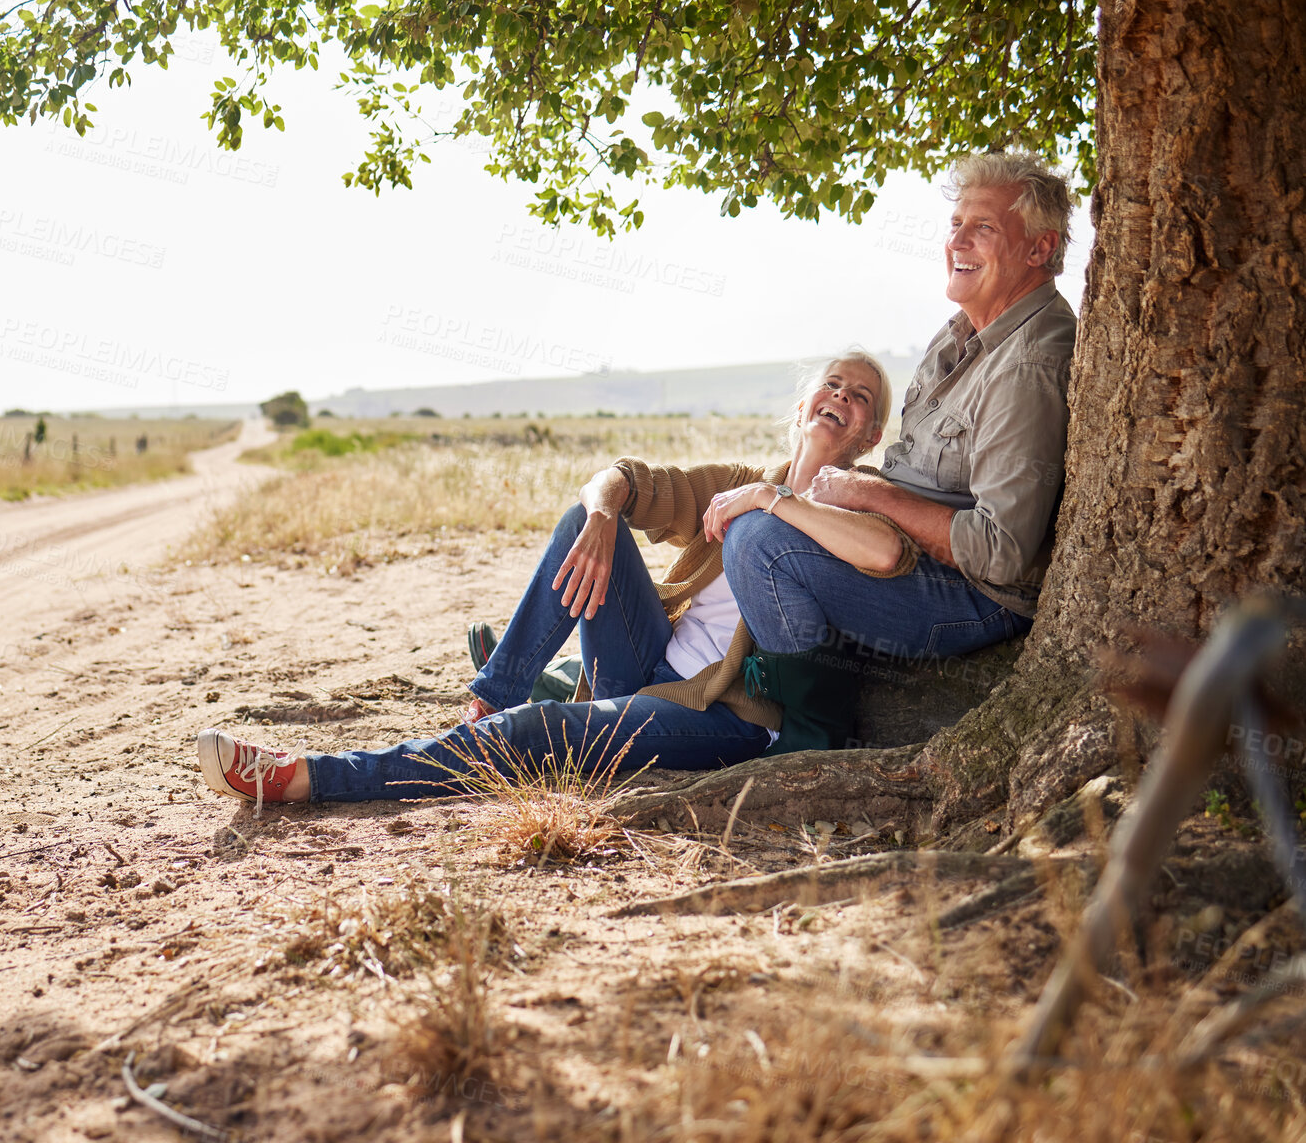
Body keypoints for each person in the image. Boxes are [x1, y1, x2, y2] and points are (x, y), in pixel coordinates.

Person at [196, 352, 917, 805]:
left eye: (859, 398)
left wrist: (781, 504)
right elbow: (621, 478)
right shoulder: (734, 481)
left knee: (540, 732)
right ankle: (491, 697)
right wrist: (605, 515)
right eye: (830, 383)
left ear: (867, 436)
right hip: (644, 663)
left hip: (717, 718)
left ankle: (307, 777)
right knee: (583, 521)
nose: (840, 397)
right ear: (800, 408)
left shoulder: (852, 500)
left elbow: (884, 552)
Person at [723, 152, 1078, 669]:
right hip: (900, 547)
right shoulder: (961, 331)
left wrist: (869, 493)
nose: (956, 242)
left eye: (982, 227)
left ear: (1040, 247)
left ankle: (802, 725)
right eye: (956, 224)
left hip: (971, 594)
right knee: (765, 520)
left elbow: (1000, 553)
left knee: (761, 541)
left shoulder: (1029, 363)